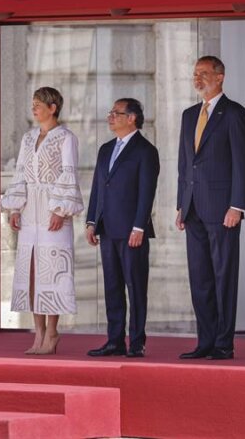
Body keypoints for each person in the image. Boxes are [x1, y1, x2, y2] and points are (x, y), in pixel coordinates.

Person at [176, 56, 245, 360]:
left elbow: (242, 164)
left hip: (223, 210)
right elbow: (185, 164)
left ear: (220, 77)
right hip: (193, 209)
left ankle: (223, 343)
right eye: (195, 74)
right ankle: (204, 341)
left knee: (223, 277)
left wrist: (237, 205)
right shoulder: (188, 115)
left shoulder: (234, 113)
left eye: (204, 74)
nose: (198, 79)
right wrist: (181, 204)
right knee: (200, 279)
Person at [0, 87, 84, 355]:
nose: (34, 108)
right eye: (33, 103)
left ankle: (53, 332)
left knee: (52, 271)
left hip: (52, 210)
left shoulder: (66, 138)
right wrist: (15, 208)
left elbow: (69, 174)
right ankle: (38, 334)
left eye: (38, 104)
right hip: (29, 213)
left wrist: (60, 210)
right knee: (32, 272)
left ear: (53, 107)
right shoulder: (28, 138)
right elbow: (20, 173)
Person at [86, 98, 160, 358]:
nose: (111, 117)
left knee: (135, 286)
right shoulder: (106, 149)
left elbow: (146, 193)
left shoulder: (145, 151)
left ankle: (137, 341)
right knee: (112, 287)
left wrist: (139, 226)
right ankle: (114, 340)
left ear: (132, 118)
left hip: (132, 231)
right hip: (107, 229)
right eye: (110, 113)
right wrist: (91, 221)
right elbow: (98, 187)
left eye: (117, 113)